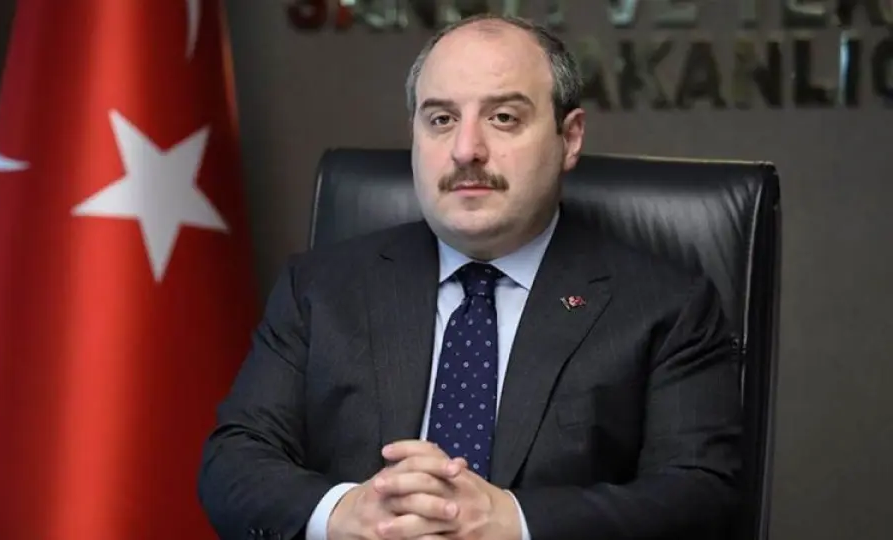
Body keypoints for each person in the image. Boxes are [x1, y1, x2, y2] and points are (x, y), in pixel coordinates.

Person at [198, 13, 742, 540]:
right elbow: (234, 461)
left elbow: (700, 494)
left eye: (503, 117)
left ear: (570, 137)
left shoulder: (666, 305)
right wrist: (346, 514)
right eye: (441, 119)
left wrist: (516, 522)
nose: (466, 150)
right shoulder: (319, 288)